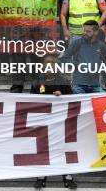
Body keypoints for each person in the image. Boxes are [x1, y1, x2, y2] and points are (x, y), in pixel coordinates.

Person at [30, 55, 77, 190]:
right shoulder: (37, 81)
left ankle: (68, 177)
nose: (49, 65)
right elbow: (29, 99)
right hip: (43, 121)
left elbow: (73, 99)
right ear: (43, 65)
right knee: (42, 148)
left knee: (63, 149)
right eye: (47, 63)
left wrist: (61, 95)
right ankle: (41, 177)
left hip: (60, 121)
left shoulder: (63, 81)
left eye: (52, 63)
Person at [60, 20, 106, 93]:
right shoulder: (77, 43)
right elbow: (64, 59)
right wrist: (78, 65)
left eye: (88, 31)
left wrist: (98, 68)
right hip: (78, 84)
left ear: (96, 32)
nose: (84, 33)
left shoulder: (101, 46)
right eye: (84, 31)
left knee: (104, 100)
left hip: (96, 85)